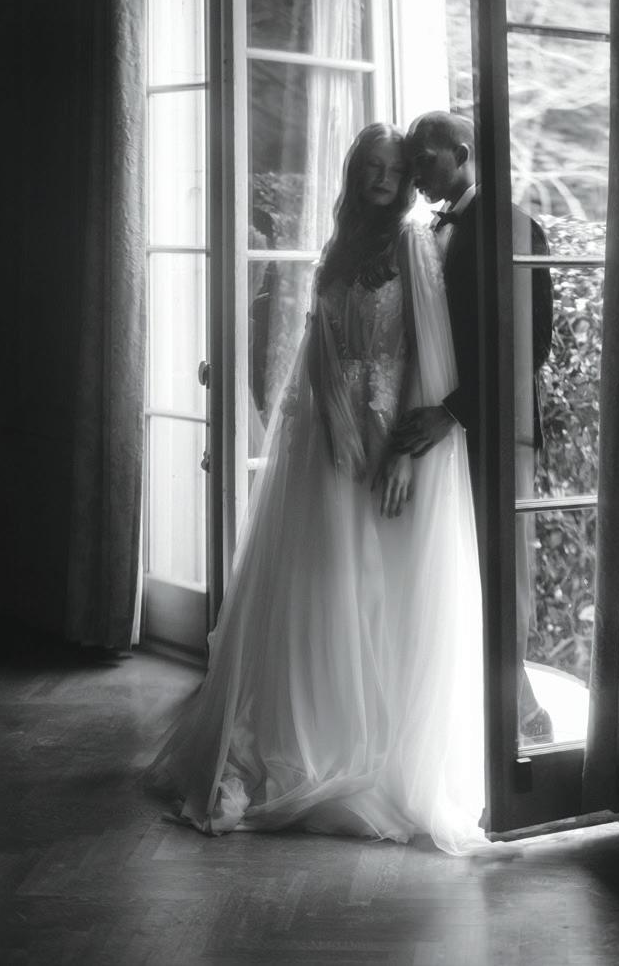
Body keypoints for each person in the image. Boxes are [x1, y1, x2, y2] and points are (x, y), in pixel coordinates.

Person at [148, 123, 485, 855]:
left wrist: (405, 453)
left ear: (405, 178)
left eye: (391, 167)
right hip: (328, 436)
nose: (380, 177)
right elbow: (317, 347)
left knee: (376, 588)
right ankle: (307, 735)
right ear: (354, 172)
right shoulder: (338, 248)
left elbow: (428, 358)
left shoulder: (413, 244)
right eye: (368, 165)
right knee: (321, 587)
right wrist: (327, 418)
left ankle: (374, 743)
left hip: (390, 436)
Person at [392, 111, 554, 745]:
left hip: (495, 430)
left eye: (424, 159)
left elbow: (528, 347)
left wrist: (451, 412)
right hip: (444, 428)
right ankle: (468, 710)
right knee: (453, 566)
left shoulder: (516, 226)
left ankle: (518, 712)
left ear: (461, 154)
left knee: (499, 570)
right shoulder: (429, 230)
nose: (414, 174)